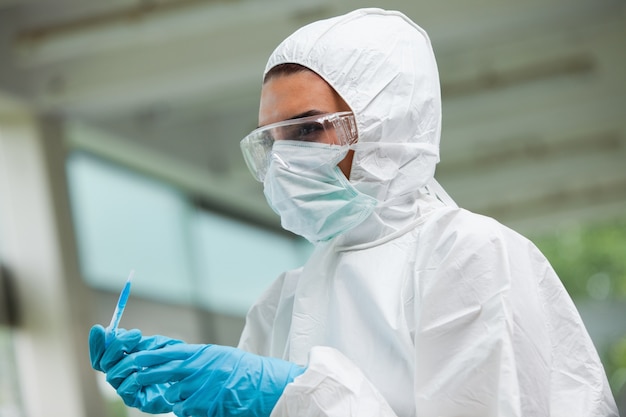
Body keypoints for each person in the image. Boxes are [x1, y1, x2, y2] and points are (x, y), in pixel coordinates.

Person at [88, 8, 619, 417]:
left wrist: (295, 394)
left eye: (306, 130)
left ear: (387, 124)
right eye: (271, 141)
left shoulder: (468, 256)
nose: (285, 160)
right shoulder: (282, 302)